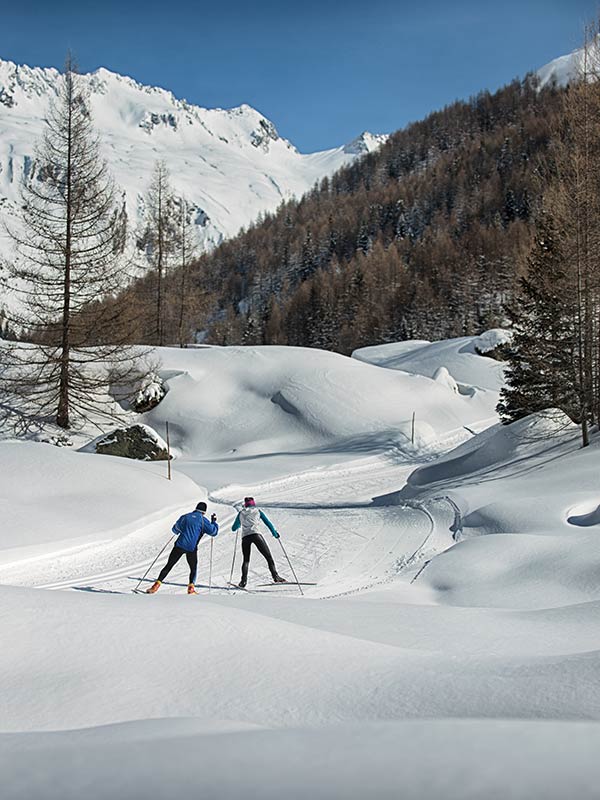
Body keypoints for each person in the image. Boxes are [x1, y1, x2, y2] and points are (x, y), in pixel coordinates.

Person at [147, 502, 218, 594]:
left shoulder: (185, 517)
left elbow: (175, 529)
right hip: (191, 549)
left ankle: (155, 586)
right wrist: (214, 522)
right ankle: (191, 588)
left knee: (169, 565)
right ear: (204, 512)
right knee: (193, 568)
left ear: (196, 508)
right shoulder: (203, 521)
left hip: (179, 545)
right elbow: (213, 532)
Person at [232, 497, 285, 588]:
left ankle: (243, 582)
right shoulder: (258, 511)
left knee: (246, 560)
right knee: (268, 557)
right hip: (256, 535)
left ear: (245, 504)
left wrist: (238, 525)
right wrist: (275, 534)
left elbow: (233, 528)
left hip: (245, 537)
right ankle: (275, 577)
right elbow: (268, 523)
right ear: (253, 504)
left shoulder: (241, 513)